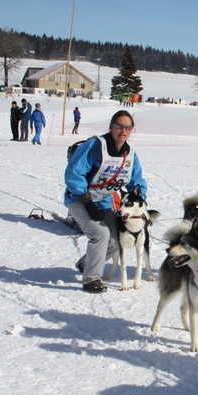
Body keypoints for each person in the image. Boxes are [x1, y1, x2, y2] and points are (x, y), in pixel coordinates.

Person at [64, 110, 147, 293]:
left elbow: (137, 181)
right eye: (119, 126)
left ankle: (86, 263)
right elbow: (73, 173)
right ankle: (91, 279)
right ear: (111, 127)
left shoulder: (129, 153)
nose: (123, 130)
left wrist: (139, 201)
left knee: (115, 242)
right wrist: (86, 201)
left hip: (103, 201)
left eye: (128, 127)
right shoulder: (95, 146)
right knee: (100, 234)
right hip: (80, 200)